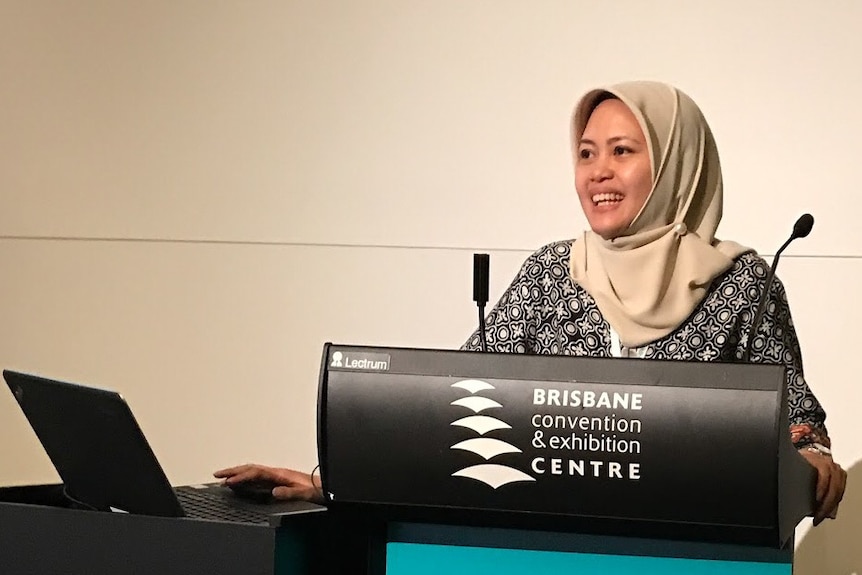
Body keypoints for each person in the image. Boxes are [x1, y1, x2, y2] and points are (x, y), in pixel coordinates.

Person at [215, 80, 846, 525]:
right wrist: (333, 481)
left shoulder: (743, 284)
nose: (598, 171)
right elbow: (450, 412)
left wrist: (812, 456)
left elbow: (796, 419)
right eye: (585, 153)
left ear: (678, 162)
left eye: (622, 151)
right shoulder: (552, 273)